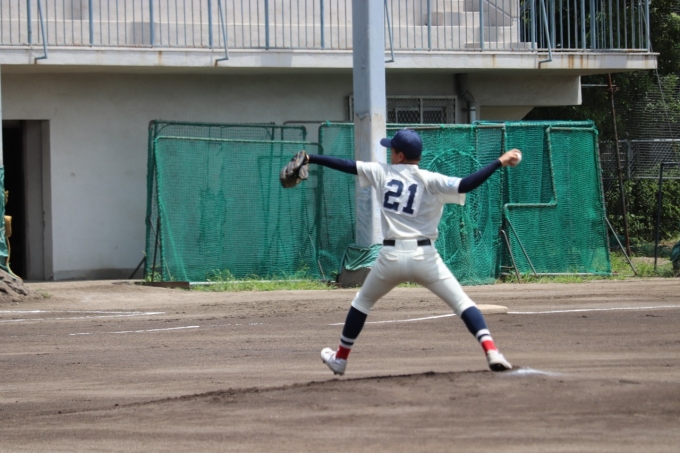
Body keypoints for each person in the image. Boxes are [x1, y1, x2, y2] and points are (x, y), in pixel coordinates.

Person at [303, 128, 521, 375]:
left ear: (399, 155)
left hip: (390, 258)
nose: (390, 153)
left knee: (362, 303)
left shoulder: (382, 172)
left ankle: (340, 359)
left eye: (392, 150)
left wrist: (312, 158)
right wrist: (499, 162)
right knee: (462, 303)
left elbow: (346, 165)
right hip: (425, 257)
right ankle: (492, 351)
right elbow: (466, 184)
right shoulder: (431, 179)